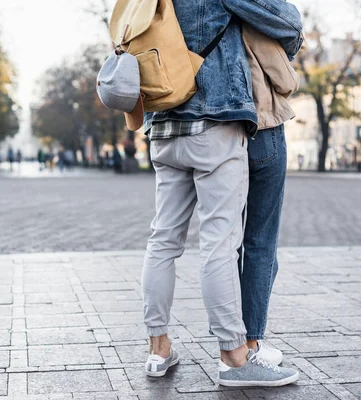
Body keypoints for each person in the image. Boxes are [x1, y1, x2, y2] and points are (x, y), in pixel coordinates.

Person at [141, 0, 303, 387]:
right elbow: (287, 22)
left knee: (162, 240)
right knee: (220, 242)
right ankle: (234, 357)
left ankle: (158, 349)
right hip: (213, 120)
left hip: (162, 122)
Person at [239, 24, 300, 367]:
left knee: (226, 244)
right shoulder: (256, 14)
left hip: (217, 130)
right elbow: (287, 78)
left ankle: (229, 344)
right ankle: (252, 341)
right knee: (261, 242)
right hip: (263, 127)